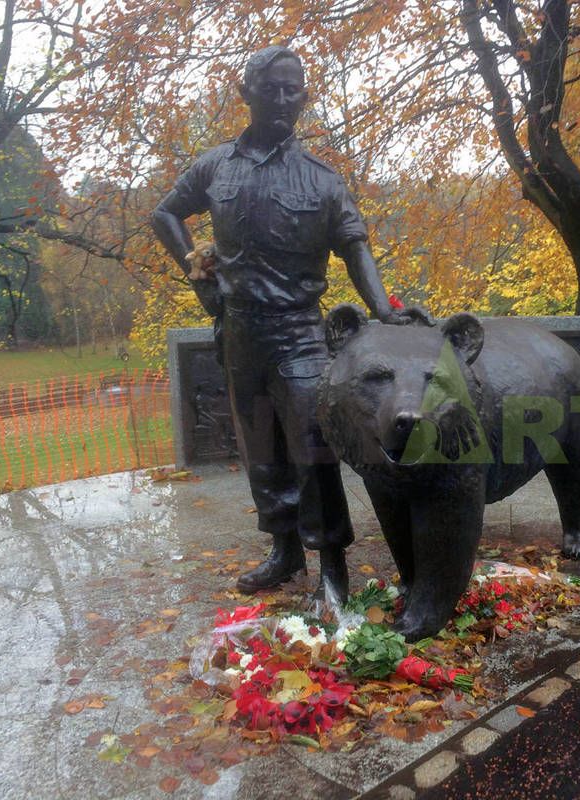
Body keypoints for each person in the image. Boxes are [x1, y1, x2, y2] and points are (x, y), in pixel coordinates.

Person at [151, 45, 407, 602]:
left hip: (299, 334)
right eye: (274, 88)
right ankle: (285, 553)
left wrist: (385, 309)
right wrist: (199, 272)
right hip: (239, 334)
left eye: (295, 90)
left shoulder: (320, 179)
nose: (285, 99)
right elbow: (165, 213)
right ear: (247, 93)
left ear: (304, 98)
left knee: (312, 452)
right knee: (261, 450)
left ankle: (332, 567)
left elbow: (354, 246)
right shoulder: (216, 166)